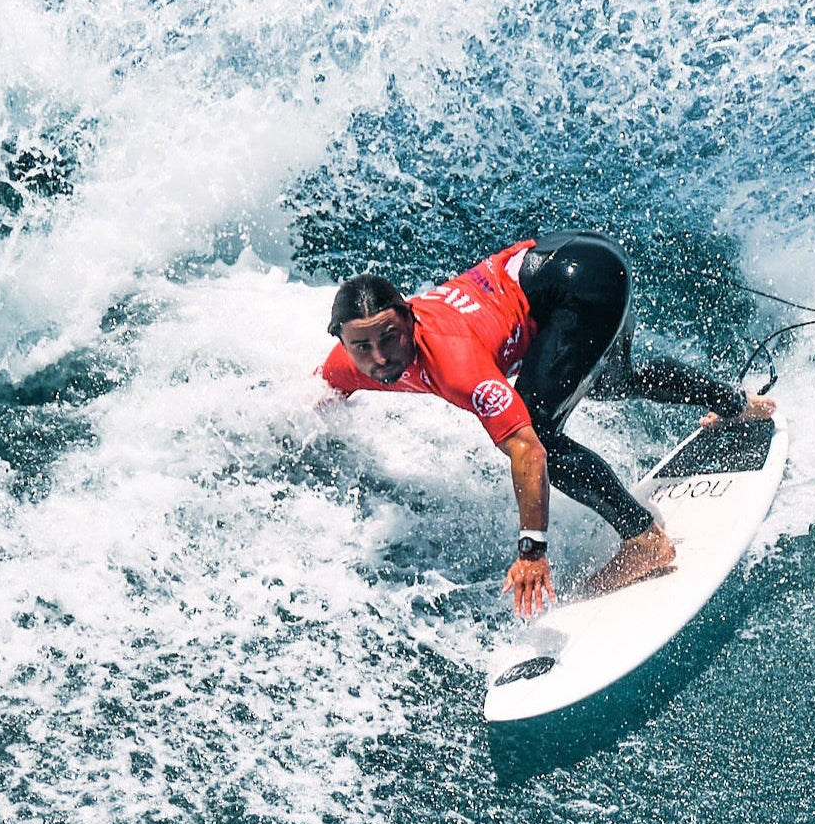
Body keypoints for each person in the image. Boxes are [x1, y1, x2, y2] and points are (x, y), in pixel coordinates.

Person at [317, 231, 775, 618]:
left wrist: (532, 551)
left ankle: (644, 540)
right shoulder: (347, 364)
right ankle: (736, 404)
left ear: (411, 319)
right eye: (362, 347)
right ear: (343, 341)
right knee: (613, 379)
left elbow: (527, 450)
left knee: (541, 433)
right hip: (578, 259)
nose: (379, 358)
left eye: (390, 338)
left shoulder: (456, 363)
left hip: (580, 282)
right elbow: (318, 399)